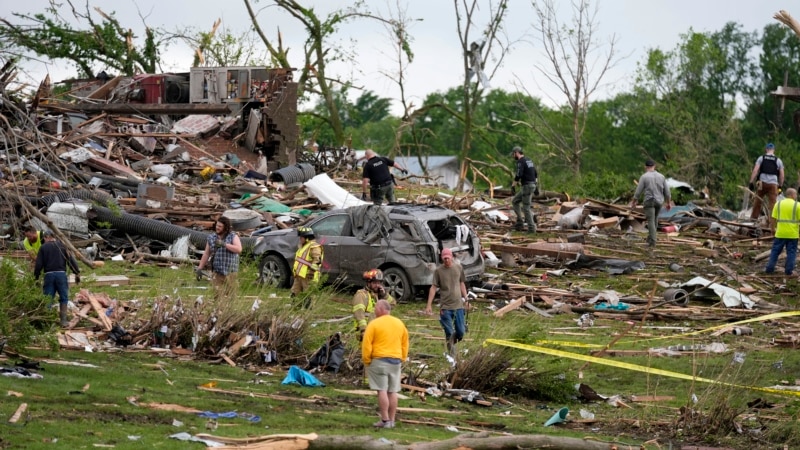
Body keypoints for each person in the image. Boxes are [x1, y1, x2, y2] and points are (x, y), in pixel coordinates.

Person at [361, 299, 408, 429]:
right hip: (396, 360)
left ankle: (385, 420)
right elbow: (405, 342)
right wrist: (402, 357)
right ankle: (392, 420)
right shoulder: (399, 323)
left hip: (379, 360)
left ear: (381, 309)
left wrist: (366, 360)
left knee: (381, 390)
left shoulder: (374, 324)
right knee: (393, 391)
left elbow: (367, 344)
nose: (374, 310)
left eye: (376, 308)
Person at [425, 248, 468, 357]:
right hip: (445, 307)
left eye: (448, 258)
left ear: (452, 257)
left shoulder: (458, 268)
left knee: (461, 332)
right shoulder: (438, 271)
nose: (446, 261)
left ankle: (451, 343)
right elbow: (433, 287)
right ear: (442, 258)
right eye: (444, 259)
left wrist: (466, 299)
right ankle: (452, 355)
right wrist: (429, 305)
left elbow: (462, 284)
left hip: (458, 305)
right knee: (449, 332)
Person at [34, 230, 81, 327]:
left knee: (48, 298)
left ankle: (47, 322)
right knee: (64, 298)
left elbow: (38, 264)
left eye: (44, 238)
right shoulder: (63, 246)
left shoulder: (43, 247)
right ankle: (63, 321)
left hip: (49, 275)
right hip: (61, 275)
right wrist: (76, 272)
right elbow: (70, 260)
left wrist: (36, 277)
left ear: (47, 237)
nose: (44, 240)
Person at [197, 217, 242, 303]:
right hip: (217, 272)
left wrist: (224, 244)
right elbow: (206, 253)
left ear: (225, 227)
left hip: (231, 272)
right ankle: (218, 313)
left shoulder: (232, 236)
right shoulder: (211, 238)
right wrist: (200, 268)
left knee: (232, 298)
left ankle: (230, 314)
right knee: (217, 297)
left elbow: (239, 249)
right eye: (217, 225)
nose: (217, 228)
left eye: (220, 226)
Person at [630, 159, 672, 248]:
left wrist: (634, 202)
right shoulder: (662, 176)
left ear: (645, 167)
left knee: (650, 221)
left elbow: (638, 192)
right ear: (654, 166)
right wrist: (668, 203)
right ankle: (650, 238)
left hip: (649, 201)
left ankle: (652, 242)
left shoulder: (644, 177)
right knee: (655, 219)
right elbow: (667, 192)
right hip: (659, 201)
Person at [353, 269, 397, 339]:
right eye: (375, 283)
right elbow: (359, 314)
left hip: (376, 332)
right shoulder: (361, 295)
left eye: (379, 283)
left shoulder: (378, 295)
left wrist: (384, 295)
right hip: (365, 334)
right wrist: (364, 330)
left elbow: (392, 304)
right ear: (368, 282)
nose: (377, 285)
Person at [765, 188, 800, 276]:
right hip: (792, 234)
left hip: (780, 233)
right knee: (791, 253)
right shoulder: (798, 205)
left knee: (775, 251)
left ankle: (769, 269)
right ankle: (788, 271)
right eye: (795, 194)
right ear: (792, 195)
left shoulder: (778, 204)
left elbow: (773, 218)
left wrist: (772, 229)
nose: (796, 196)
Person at [749, 143, 785, 220]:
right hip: (773, 184)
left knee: (758, 201)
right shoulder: (778, 160)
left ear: (766, 149)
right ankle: (771, 222)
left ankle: (753, 219)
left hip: (762, 183)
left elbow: (755, 170)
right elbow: (782, 175)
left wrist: (751, 182)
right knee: (772, 204)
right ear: (774, 150)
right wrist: (780, 186)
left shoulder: (761, 158)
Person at [510, 146, 538, 233]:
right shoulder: (529, 160)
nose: (513, 156)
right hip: (531, 185)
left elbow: (519, 174)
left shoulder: (520, 162)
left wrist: (513, 185)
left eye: (514, 154)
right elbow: (535, 173)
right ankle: (520, 222)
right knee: (515, 201)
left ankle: (531, 229)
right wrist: (535, 185)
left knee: (526, 208)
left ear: (517, 153)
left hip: (527, 186)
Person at [291, 226, 324, 300]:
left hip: (308, 275)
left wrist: (311, 272)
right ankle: (295, 306)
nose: (300, 239)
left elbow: (317, 261)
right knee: (295, 291)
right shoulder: (304, 246)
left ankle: (308, 308)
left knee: (308, 294)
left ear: (307, 238)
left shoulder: (314, 247)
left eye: (301, 237)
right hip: (300, 275)